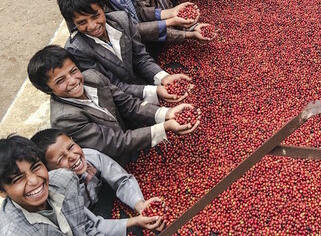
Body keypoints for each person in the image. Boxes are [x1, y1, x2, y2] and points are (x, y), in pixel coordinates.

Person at [27, 45, 200, 164]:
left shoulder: (93, 77)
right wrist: (165, 127)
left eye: (73, 71)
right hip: (115, 161)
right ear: (47, 88)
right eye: (60, 80)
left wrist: (167, 113)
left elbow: (128, 104)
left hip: (132, 142)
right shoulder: (65, 118)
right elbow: (114, 143)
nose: (72, 81)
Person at [57, 0, 194, 103]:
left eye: (96, 16)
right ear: (73, 23)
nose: (92, 26)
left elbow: (141, 58)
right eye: (82, 22)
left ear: (103, 8)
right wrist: (154, 91)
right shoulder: (77, 49)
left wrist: (163, 77)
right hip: (119, 101)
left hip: (139, 86)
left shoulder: (121, 20)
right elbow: (112, 86)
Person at [32, 129, 165, 235]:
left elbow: (121, 180)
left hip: (103, 202)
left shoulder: (91, 157)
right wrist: (133, 222)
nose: (73, 157)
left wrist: (139, 204)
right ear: (49, 171)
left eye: (71, 147)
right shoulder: (60, 196)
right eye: (61, 158)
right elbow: (90, 226)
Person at [0, 135, 109, 236]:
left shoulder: (66, 181)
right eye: (18, 179)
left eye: (35, 167)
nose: (34, 181)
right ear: (2, 191)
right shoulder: (15, 232)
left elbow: (85, 228)